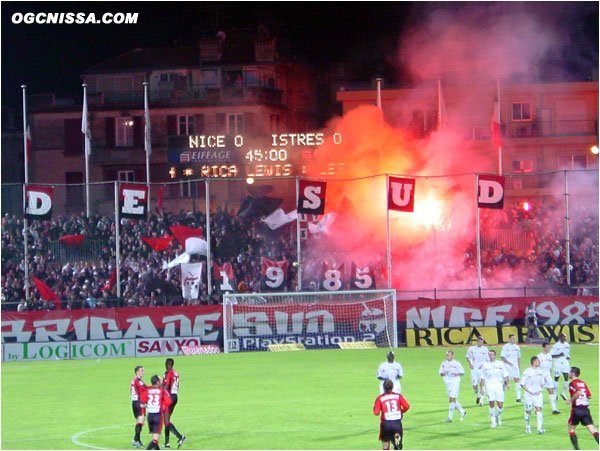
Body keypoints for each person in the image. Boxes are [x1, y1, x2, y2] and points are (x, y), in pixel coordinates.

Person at [565, 367, 599, 450]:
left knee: (571, 429)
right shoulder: (583, 383)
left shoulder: (572, 383)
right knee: (592, 429)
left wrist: (570, 400)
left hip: (577, 409)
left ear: (573, 374)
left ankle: (576, 448)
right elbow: (589, 396)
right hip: (585, 409)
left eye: (570, 372)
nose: (569, 374)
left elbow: (578, 392)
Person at [373, 379, 410, 450]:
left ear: (383, 388)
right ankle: (397, 445)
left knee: (385, 445)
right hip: (397, 424)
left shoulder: (380, 398)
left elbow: (376, 412)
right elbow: (407, 406)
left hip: (385, 424)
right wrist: (401, 411)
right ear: (393, 387)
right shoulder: (398, 396)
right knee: (397, 446)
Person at [520, 356, 552, 434]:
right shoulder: (527, 372)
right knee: (528, 411)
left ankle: (539, 429)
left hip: (538, 395)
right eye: (538, 361)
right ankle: (527, 427)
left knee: (539, 410)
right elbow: (522, 384)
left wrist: (540, 389)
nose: (539, 362)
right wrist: (530, 391)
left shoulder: (541, 372)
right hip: (529, 395)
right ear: (534, 362)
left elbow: (543, 382)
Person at [480, 349, 509, 428]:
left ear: (495, 355)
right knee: (491, 403)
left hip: (499, 385)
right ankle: (493, 421)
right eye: (489, 354)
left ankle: (497, 415)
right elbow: (482, 377)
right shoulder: (485, 365)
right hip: (489, 385)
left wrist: (507, 383)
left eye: (492, 354)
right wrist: (481, 388)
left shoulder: (500, 364)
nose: (491, 356)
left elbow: (505, 374)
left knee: (500, 405)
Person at [142, 375, 173, 450]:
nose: (161, 382)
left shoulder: (148, 391)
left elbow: (142, 402)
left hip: (150, 417)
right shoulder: (162, 391)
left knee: (154, 439)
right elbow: (169, 402)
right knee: (155, 441)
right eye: (160, 381)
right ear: (157, 382)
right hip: (158, 416)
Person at [163, 358, 186, 449]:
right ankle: (167, 443)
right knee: (167, 419)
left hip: (170, 397)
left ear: (167, 364)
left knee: (166, 420)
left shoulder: (170, 373)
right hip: (175, 396)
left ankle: (180, 437)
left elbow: (167, 386)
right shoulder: (176, 373)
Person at [439, 350, 467, 423]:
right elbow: (440, 373)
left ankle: (450, 417)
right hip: (447, 382)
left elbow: (462, 372)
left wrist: (456, 374)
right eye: (447, 355)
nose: (448, 356)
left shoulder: (456, 363)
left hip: (455, 382)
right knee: (452, 399)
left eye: (449, 355)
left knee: (451, 398)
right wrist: (443, 373)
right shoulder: (444, 364)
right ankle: (462, 411)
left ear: (452, 356)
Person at [465, 335, 489, 406]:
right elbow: (467, 357)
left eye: (482, 341)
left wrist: (483, 365)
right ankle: (478, 395)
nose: (480, 342)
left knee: (482, 385)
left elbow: (488, 360)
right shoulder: (471, 349)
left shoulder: (485, 349)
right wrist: (470, 364)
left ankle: (481, 400)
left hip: (482, 370)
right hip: (474, 370)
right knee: (474, 386)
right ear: (477, 341)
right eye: (479, 341)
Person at [537, 342, 560, 414]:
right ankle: (536, 408)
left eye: (549, 347)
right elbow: (537, 366)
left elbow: (550, 367)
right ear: (543, 348)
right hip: (541, 375)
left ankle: (554, 409)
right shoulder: (539, 356)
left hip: (548, 375)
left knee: (551, 391)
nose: (548, 349)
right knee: (538, 392)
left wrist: (550, 375)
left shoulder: (549, 356)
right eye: (547, 347)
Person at [501, 334, 522, 402]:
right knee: (506, 381)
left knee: (517, 380)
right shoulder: (506, 347)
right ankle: (501, 395)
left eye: (514, 338)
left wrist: (518, 366)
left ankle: (518, 397)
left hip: (515, 366)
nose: (514, 340)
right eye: (512, 338)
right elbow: (503, 357)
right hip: (508, 366)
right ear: (509, 339)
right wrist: (509, 363)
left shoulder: (517, 347)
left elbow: (518, 357)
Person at [131, 366, 147, 448]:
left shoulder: (133, 380)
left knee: (138, 421)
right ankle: (135, 439)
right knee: (141, 421)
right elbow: (145, 389)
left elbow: (131, 391)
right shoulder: (138, 381)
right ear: (137, 372)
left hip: (134, 402)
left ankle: (138, 441)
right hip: (139, 403)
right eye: (141, 370)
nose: (143, 372)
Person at [551, 333, 571, 400]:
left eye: (565, 337)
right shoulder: (556, 346)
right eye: (562, 337)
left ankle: (563, 393)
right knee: (557, 378)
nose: (564, 338)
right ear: (560, 337)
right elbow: (551, 355)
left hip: (565, 362)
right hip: (558, 362)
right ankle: (555, 393)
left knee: (566, 377)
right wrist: (559, 355)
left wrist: (568, 356)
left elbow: (567, 353)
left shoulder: (567, 345)